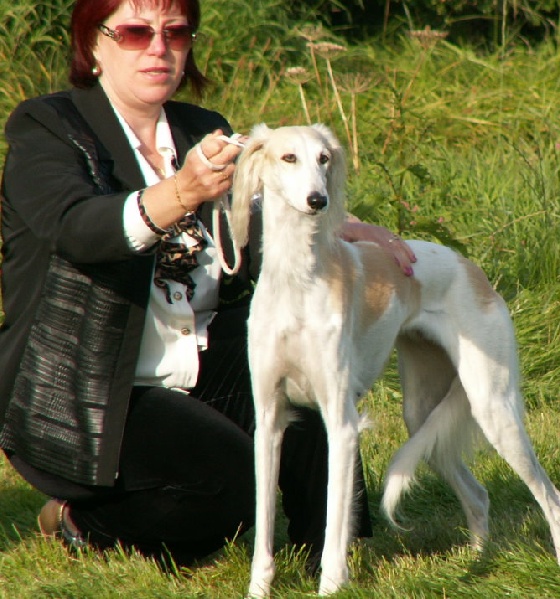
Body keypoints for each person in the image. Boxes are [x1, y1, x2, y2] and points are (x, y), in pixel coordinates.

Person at [0, 0, 416, 570]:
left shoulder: (201, 128)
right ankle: (82, 521)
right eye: (135, 32)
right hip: (91, 382)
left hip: (199, 354)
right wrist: (182, 193)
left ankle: (328, 549)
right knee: (230, 485)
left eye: (175, 32)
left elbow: (261, 223)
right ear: (94, 43)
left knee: (311, 378)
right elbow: (75, 228)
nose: (158, 47)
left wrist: (344, 226)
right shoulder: (47, 127)